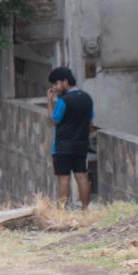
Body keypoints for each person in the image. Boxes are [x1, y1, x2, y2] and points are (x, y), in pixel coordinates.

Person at [46, 66, 94, 209]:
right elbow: (90, 122)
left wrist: (50, 102)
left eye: (56, 83)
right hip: (81, 144)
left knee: (64, 178)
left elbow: (54, 120)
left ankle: (61, 211)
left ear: (65, 81)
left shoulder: (64, 101)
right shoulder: (87, 98)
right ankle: (86, 210)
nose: (54, 88)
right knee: (82, 176)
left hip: (63, 146)